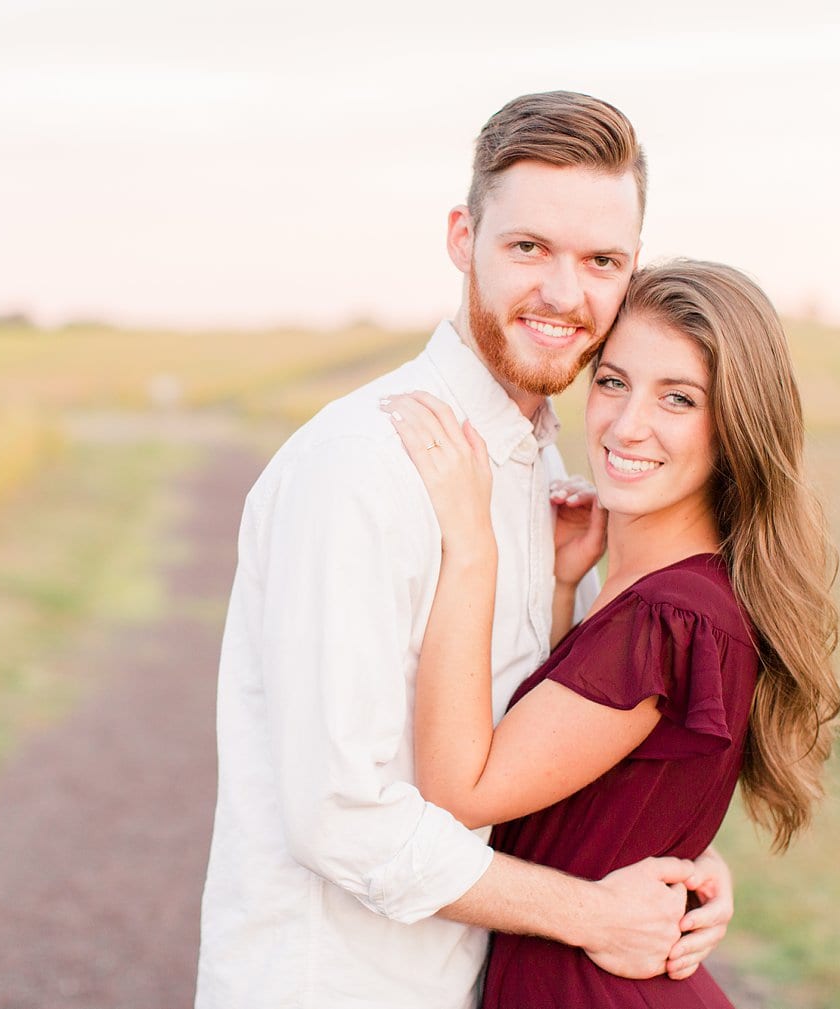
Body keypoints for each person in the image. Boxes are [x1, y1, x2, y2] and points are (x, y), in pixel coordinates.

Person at [196, 93, 736, 1009]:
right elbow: (342, 815)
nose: (566, 296)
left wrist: (672, 866)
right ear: (462, 237)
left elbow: (525, 745)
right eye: (529, 248)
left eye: (600, 260)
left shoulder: (547, 467)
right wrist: (591, 912)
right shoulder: (362, 467)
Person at [380, 260, 840, 1007]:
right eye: (613, 381)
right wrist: (565, 586)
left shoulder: (672, 617)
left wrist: (471, 547)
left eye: (679, 399)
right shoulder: (660, 593)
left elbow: (462, 792)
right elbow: (582, 791)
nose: (627, 425)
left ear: (735, 426)